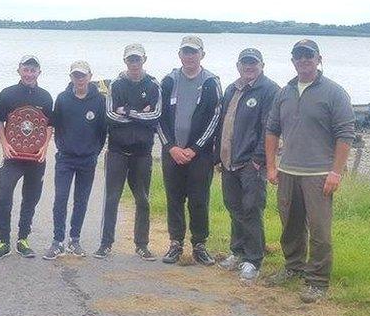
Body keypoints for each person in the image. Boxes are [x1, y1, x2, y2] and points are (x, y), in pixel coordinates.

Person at [265, 39, 355, 303]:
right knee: (290, 224)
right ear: (292, 61)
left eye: (308, 55)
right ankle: (293, 267)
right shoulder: (285, 92)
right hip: (289, 171)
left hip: (319, 174)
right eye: (298, 56)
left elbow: (345, 135)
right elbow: (272, 130)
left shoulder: (334, 93)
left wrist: (335, 172)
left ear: (318, 59)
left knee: (319, 229)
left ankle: (317, 280)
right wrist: (271, 166)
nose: (303, 60)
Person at [157, 35, 222, 266]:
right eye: (185, 52)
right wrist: (171, 146)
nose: (189, 56)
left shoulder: (211, 82)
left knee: (198, 200)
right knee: (174, 199)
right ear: (179, 55)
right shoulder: (168, 81)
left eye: (194, 52)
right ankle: (175, 243)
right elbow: (159, 117)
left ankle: (199, 245)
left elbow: (215, 118)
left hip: (200, 155)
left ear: (202, 55)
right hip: (172, 152)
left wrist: (194, 149)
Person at [216, 48, 279, 282]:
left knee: (252, 209)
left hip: (252, 163)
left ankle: (253, 260)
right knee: (234, 207)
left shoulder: (269, 90)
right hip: (229, 161)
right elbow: (223, 125)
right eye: (245, 63)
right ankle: (237, 251)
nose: (249, 66)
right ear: (238, 65)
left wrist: (258, 159)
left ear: (262, 65)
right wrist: (218, 157)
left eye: (253, 63)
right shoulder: (232, 89)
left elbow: (270, 128)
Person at [96, 43, 161, 260]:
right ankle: (106, 244)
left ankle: (141, 244)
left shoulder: (153, 85)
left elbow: (156, 116)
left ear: (144, 59)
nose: (134, 63)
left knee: (142, 199)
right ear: (125, 61)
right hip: (117, 150)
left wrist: (128, 112)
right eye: (130, 59)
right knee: (111, 197)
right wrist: (139, 113)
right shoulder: (116, 85)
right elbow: (110, 115)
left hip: (142, 153)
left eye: (138, 59)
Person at [0, 55, 54, 260]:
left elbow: (49, 125)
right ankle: (3, 241)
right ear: (19, 70)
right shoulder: (7, 94)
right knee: (4, 195)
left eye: (33, 70)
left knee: (30, 199)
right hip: (13, 157)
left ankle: (23, 239)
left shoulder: (45, 97)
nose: (29, 73)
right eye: (25, 69)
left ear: (39, 73)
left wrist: (45, 147)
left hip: (36, 159)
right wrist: (4, 144)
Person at [44, 60, 106, 260]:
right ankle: (57, 241)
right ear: (71, 77)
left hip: (88, 160)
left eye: (82, 75)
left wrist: (94, 152)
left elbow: (102, 131)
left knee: (81, 201)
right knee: (60, 200)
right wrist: (63, 147)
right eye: (75, 75)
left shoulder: (99, 101)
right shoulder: (62, 98)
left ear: (89, 76)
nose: (79, 79)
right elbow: (56, 126)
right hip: (66, 159)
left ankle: (74, 240)